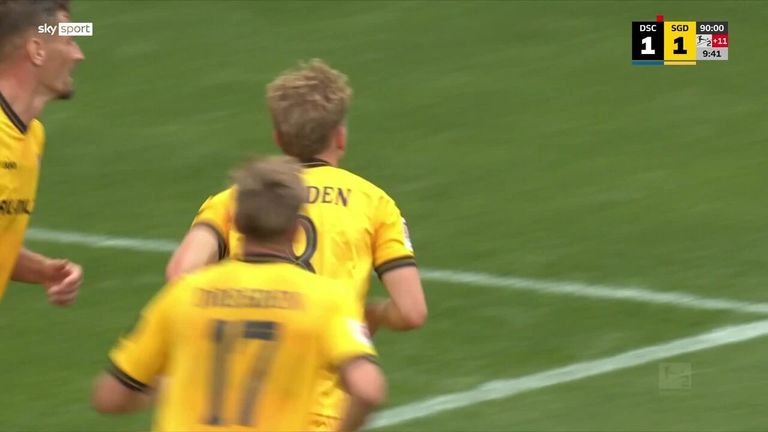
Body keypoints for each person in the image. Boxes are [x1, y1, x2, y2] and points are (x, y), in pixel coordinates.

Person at [165, 59, 426, 429]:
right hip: (321, 413)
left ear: (278, 138)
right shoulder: (374, 203)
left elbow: (181, 273)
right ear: (340, 136)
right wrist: (375, 313)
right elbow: (412, 311)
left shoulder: (237, 198)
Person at [92, 156, 386, 432]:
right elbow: (368, 389)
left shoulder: (183, 294)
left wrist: (167, 387)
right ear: (297, 230)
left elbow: (110, 397)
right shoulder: (327, 300)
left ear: (236, 222)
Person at [0, 0, 85, 306]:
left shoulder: (32, 137)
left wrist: (43, 271)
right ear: (37, 50)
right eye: (69, 40)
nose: (79, 55)